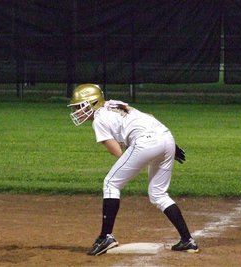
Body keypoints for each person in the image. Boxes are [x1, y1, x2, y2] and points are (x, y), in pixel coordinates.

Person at [68, 84, 199, 255]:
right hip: (166, 136)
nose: (78, 111)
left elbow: (117, 152)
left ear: (93, 103)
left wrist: (128, 146)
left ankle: (106, 236)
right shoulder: (113, 103)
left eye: (81, 106)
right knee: (158, 194)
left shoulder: (99, 119)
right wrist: (169, 146)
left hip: (146, 141)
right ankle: (187, 240)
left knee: (110, 183)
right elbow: (147, 117)